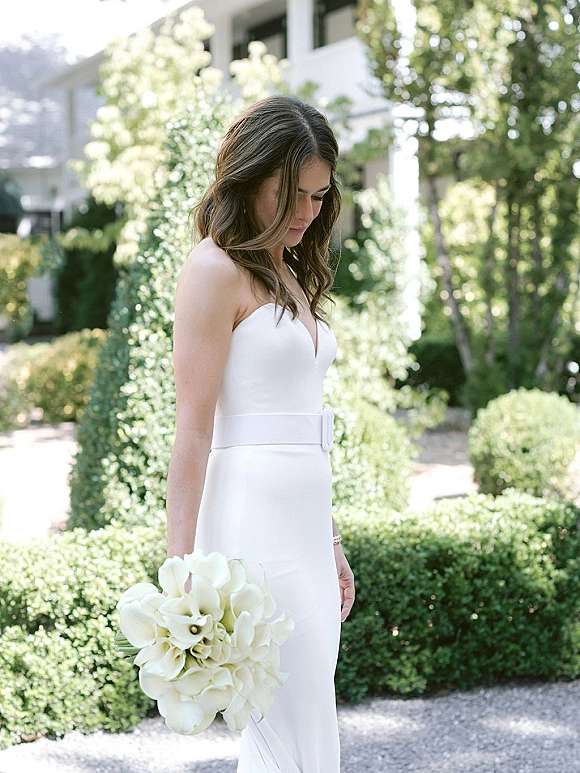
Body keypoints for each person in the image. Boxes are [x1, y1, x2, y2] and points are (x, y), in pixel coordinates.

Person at [166, 94, 355, 773]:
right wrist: (180, 567)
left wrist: (330, 541)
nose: (308, 212)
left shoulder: (291, 271)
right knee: (289, 716)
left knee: (307, 714)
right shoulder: (215, 269)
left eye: (318, 196)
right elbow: (191, 432)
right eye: (294, 194)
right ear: (252, 178)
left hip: (304, 524)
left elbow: (306, 425)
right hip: (251, 520)